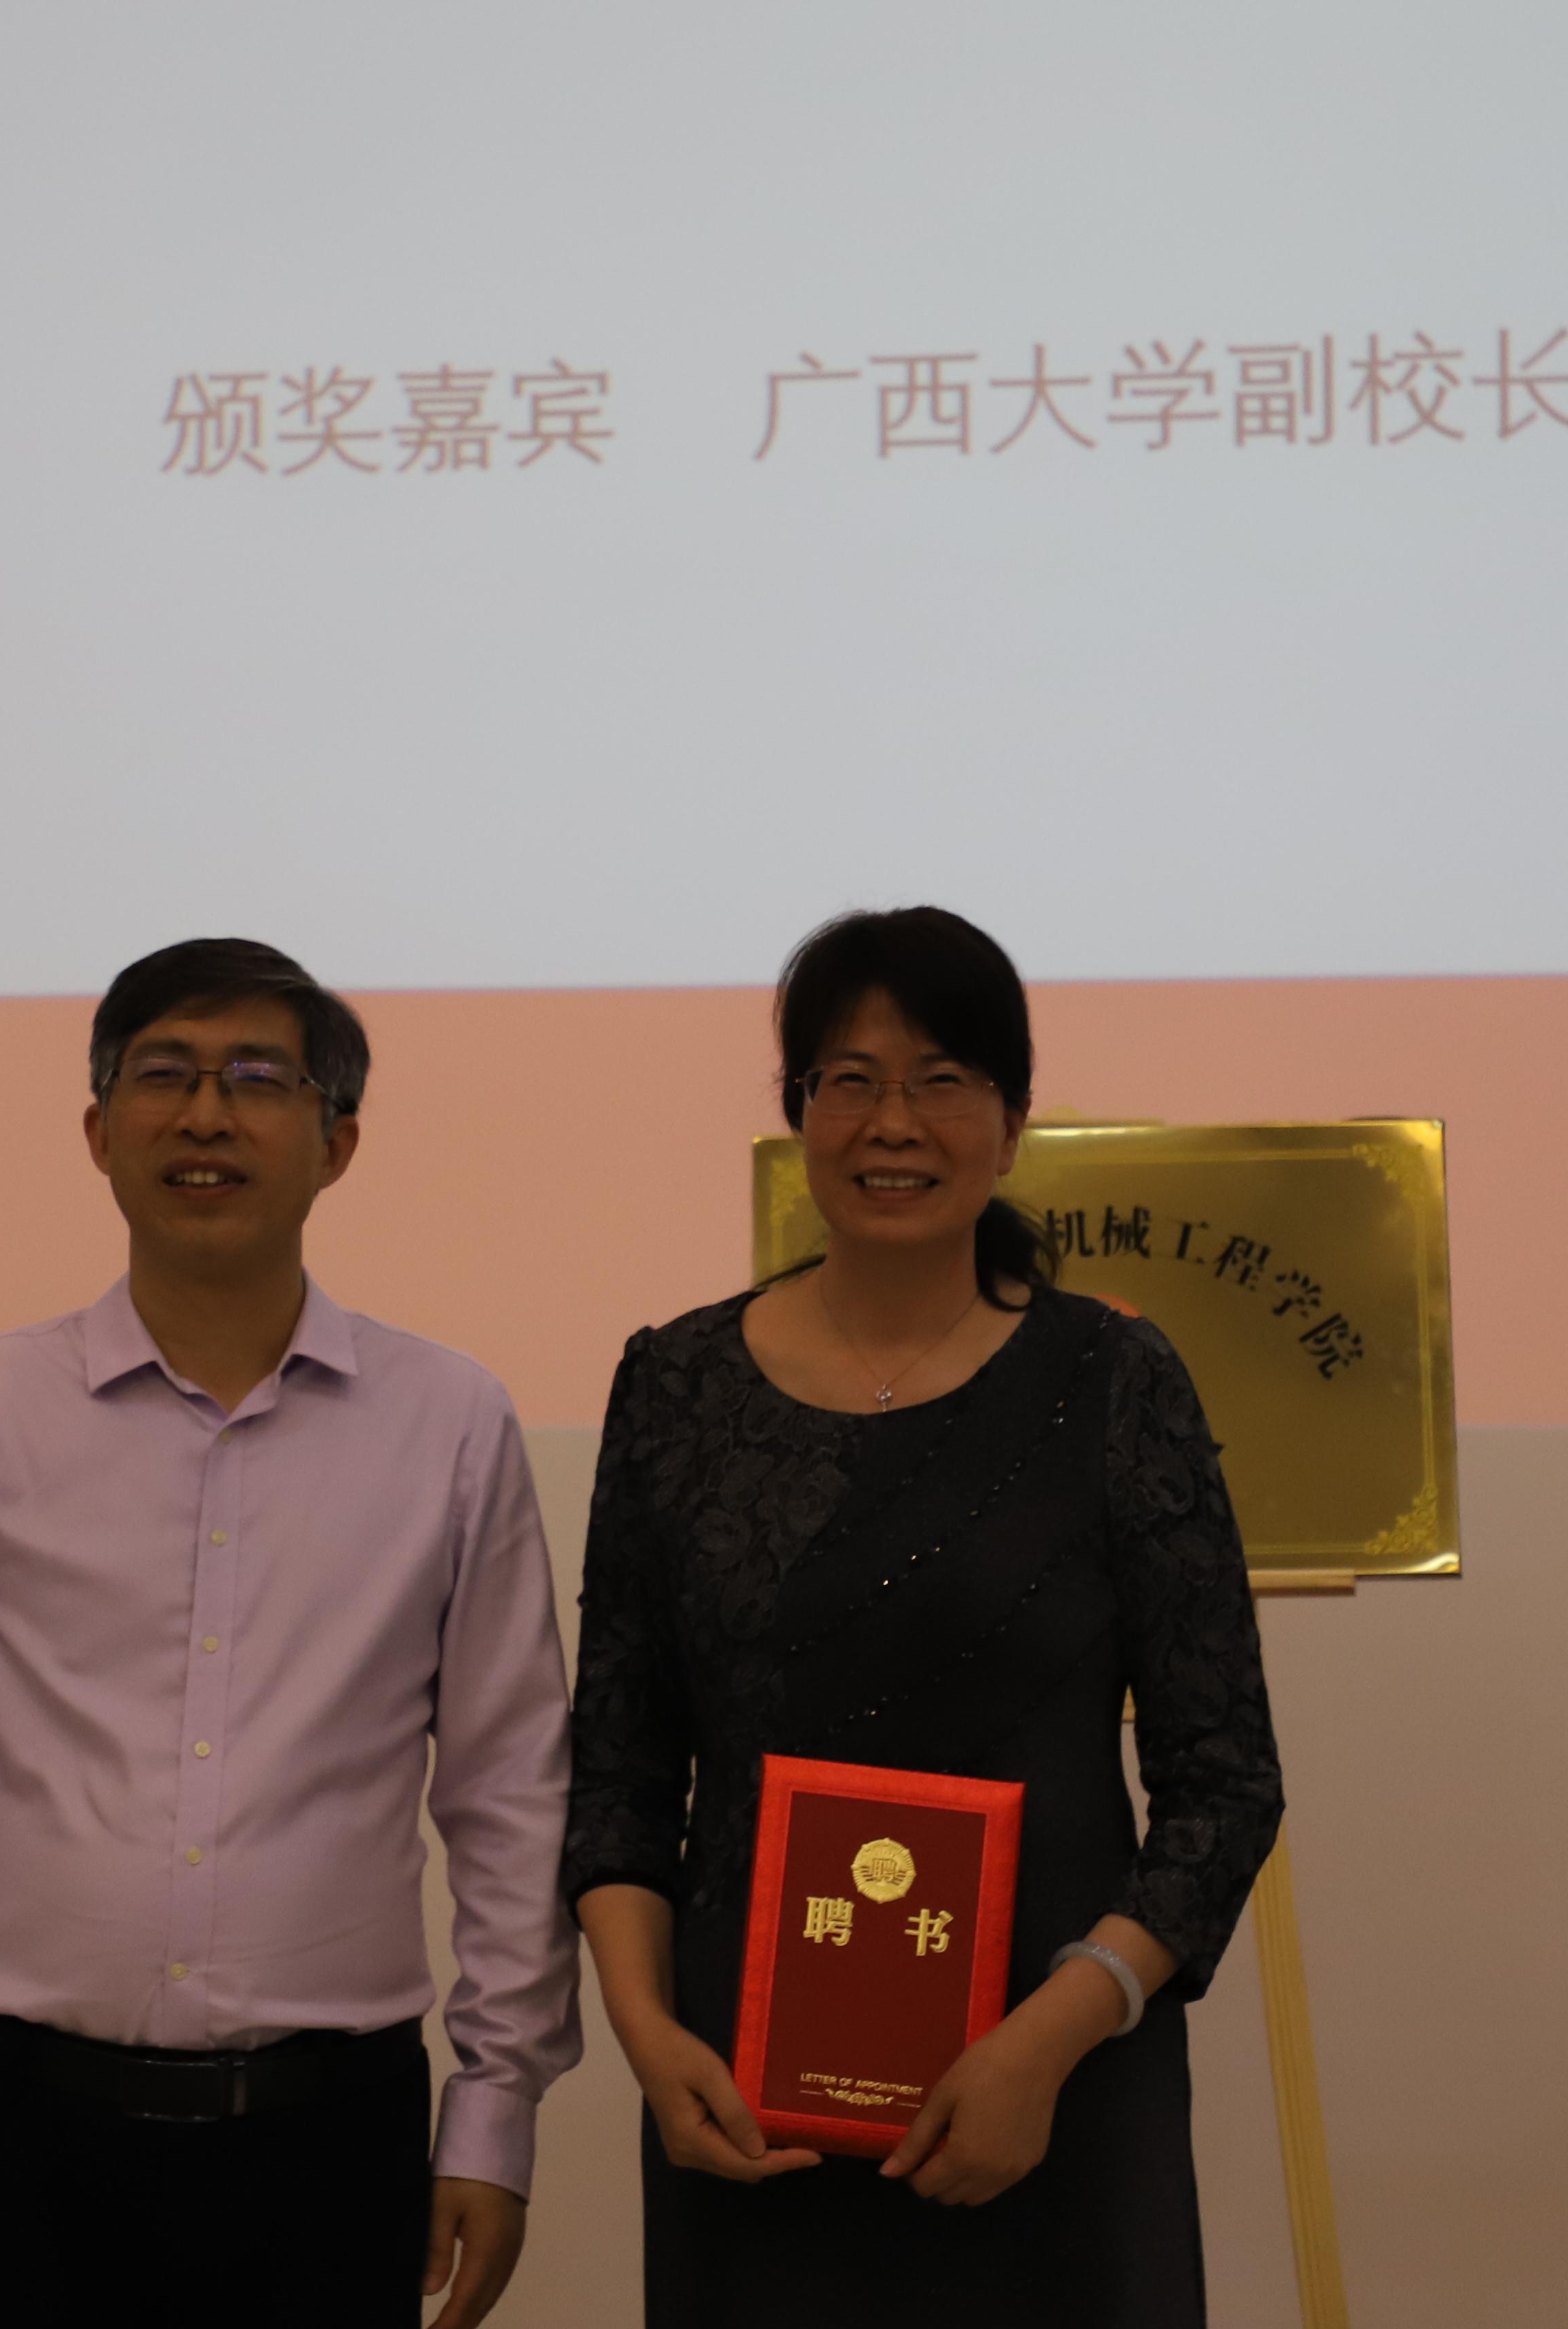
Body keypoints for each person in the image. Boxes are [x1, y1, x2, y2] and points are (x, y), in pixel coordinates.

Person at [0, 937, 578, 2329]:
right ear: (99, 1131)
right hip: (6, 2127)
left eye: (258, 1079)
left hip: (329, 2137)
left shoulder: (450, 1422)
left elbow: (511, 1791)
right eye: (165, 1075)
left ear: (338, 1143)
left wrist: (494, 2111)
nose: (206, 1116)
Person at [562, 907, 1286, 2327]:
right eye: (850, 1079)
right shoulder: (675, 1384)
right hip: (746, 2106)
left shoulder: (1115, 1381)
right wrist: (648, 2040)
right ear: (799, 1112)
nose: (893, 1122)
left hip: (1051, 2093)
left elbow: (1223, 1787)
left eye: (943, 1079)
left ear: (1011, 1125)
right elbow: (620, 1773)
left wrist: (1049, 2041)